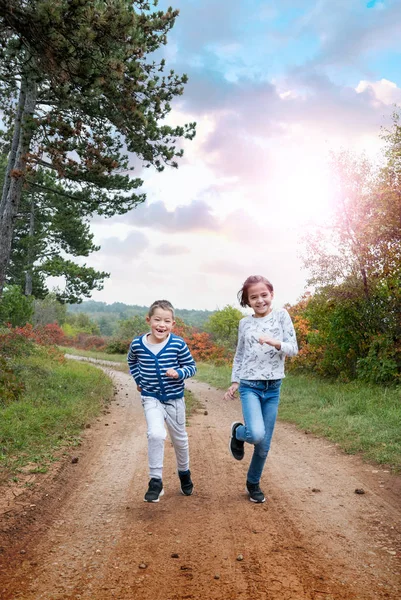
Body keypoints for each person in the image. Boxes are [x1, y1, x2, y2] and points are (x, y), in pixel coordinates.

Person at [224, 275, 298, 503]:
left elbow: (293, 348)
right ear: (247, 300)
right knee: (255, 434)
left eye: (264, 295)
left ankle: (253, 483)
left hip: (273, 388)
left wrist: (276, 343)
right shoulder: (244, 323)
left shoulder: (281, 316)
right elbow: (240, 354)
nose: (260, 300)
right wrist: (235, 381)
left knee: (263, 446)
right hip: (250, 386)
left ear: (271, 294)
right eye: (253, 297)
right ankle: (238, 431)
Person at [127, 300, 196, 503]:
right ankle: (155, 481)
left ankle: (184, 473)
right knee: (156, 434)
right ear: (149, 320)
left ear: (173, 324)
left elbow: (192, 367)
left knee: (180, 441)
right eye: (157, 319)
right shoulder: (138, 344)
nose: (161, 325)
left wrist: (179, 372)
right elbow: (131, 361)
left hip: (175, 400)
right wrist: (139, 380)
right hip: (151, 397)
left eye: (167, 321)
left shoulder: (177, 343)